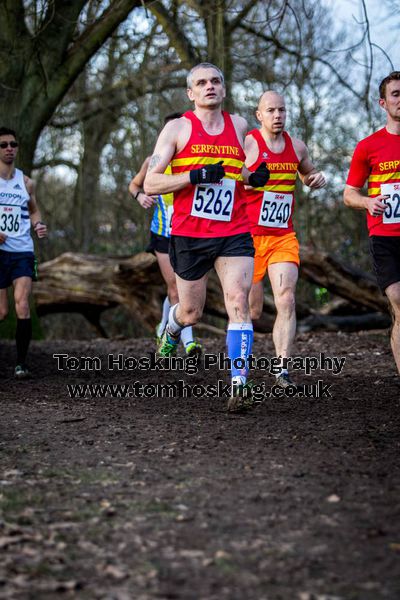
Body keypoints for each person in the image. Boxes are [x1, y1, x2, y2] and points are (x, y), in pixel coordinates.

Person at [144, 63, 270, 411]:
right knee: (190, 312)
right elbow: (150, 183)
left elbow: (237, 171)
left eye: (216, 80)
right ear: (191, 93)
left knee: (238, 302)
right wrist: (193, 176)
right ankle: (170, 331)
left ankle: (239, 385)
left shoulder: (240, 125)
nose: (209, 86)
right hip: (189, 235)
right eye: (201, 83)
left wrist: (251, 178)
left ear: (224, 89)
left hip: (233, 230)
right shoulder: (177, 128)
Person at [245, 91, 326, 387]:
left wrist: (317, 178)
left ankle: (282, 369)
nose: (278, 115)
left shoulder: (298, 147)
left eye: (282, 110)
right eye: (271, 111)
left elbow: (308, 174)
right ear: (259, 115)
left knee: (287, 298)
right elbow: (231, 175)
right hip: (248, 237)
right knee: (251, 310)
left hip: (282, 236)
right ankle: (239, 368)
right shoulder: (248, 143)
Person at [128, 113, 202, 358]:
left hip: (190, 232)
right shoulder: (153, 161)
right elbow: (134, 185)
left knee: (184, 291)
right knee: (174, 288)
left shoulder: (194, 159)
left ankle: (164, 327)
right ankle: (189, 343)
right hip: (163, 234)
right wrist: (140, 197)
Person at [344, 71, 400, 374]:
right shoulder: (369, 146)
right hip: (385, 235)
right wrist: (368, 201)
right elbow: (349, 194)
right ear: (383, 102)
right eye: (396, 94)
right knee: (398, 300)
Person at [0, 127, 47, 378]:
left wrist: (38, 224)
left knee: (22, 305)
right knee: (2, 311)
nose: (9, 149)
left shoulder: (26, 182)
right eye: (4, 145)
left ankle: (21, 364)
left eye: (13, 144)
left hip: (22, 251)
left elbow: (33, 210)